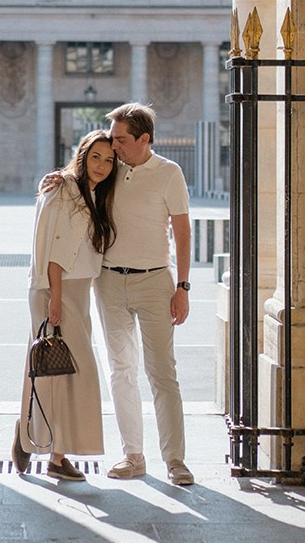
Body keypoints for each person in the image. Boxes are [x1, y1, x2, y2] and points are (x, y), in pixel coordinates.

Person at [95, 102, 193, 486]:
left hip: (155, 282)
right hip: (109, 282)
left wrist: (182, 287)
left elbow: (183, 233)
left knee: (162, 374)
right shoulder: (108, 171)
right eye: (113, 139)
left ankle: (175, 460)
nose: (113, 145)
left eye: (120, 139)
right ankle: (132, 456)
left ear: (144, 139)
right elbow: (76, 181)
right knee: (121, 371)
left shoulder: (169, 173)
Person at [12, 129, 118, 481]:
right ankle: (52, 454)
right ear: (82, 155)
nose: (102, 165)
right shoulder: (66, 189)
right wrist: (55, 300)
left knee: (53, 370)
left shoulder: (87, 192)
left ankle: (29, 438)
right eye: (96, 157)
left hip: (74, 290)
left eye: (108, 159)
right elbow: (56, 251)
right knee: (70, 372)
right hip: (55, 289)